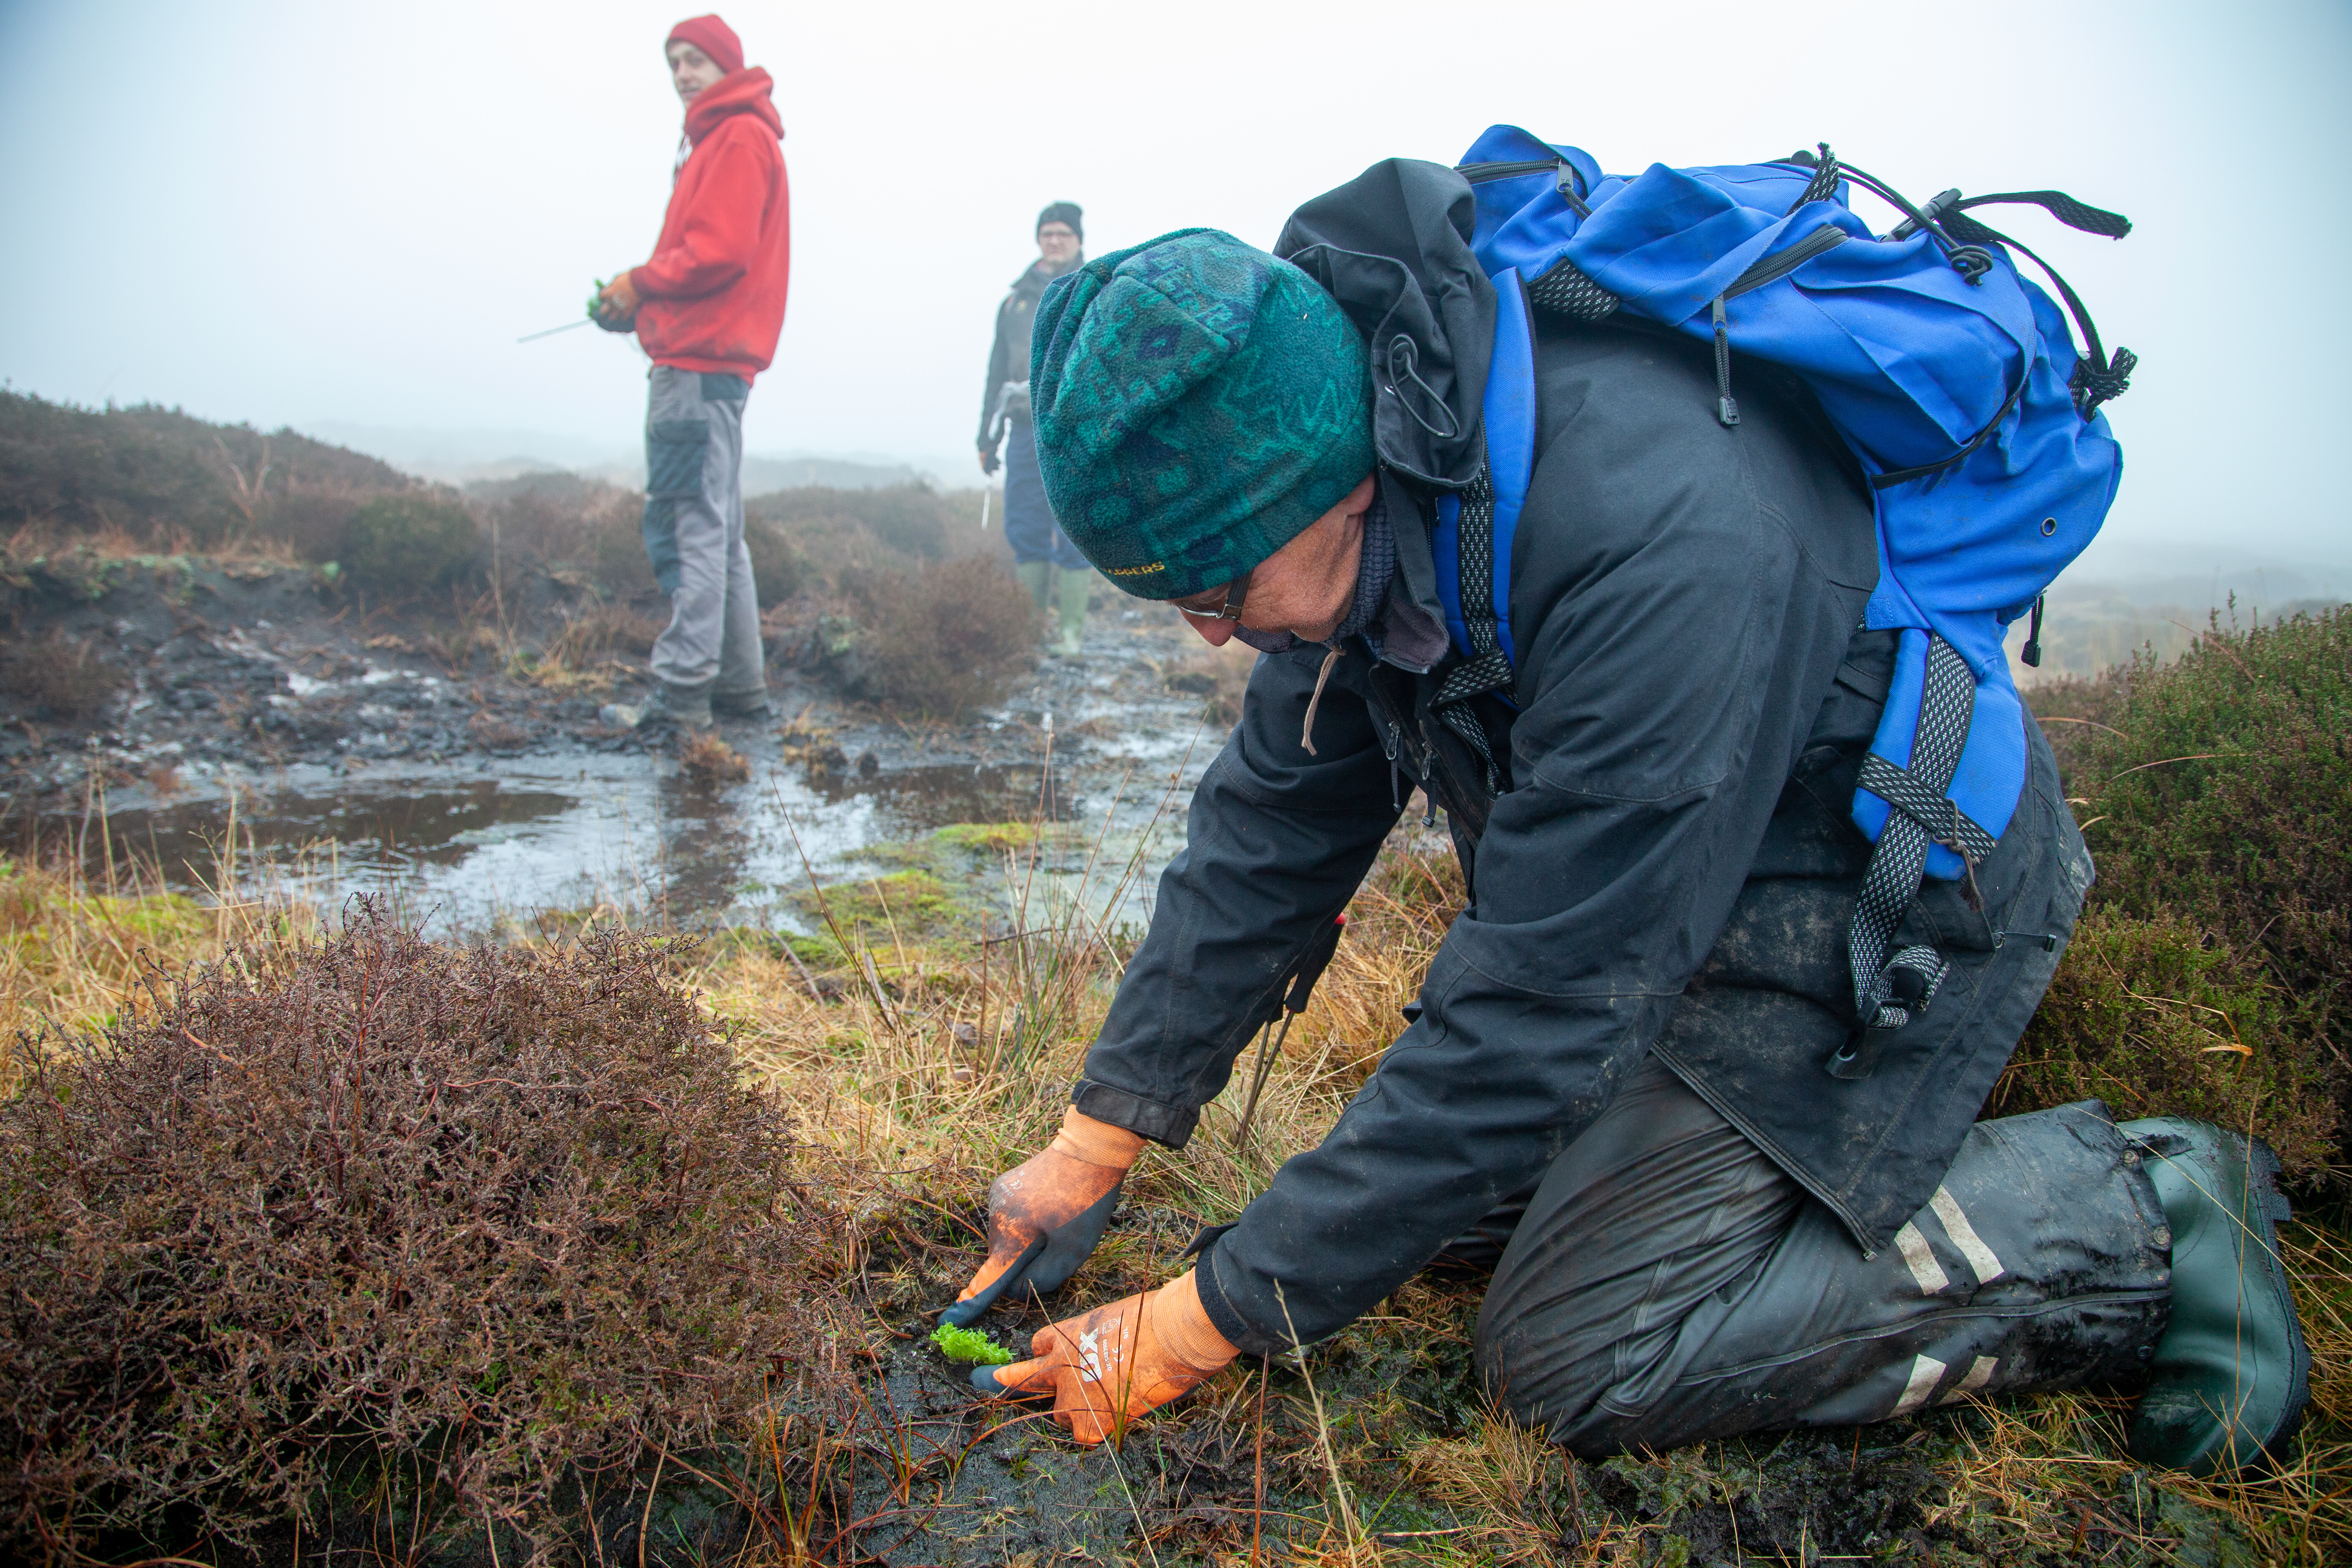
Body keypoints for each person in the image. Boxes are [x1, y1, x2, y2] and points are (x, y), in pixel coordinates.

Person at [951, 165, 2311, 1475]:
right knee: (1420, 1220)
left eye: (1212, 587)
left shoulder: (1656, 528)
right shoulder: (1367, 469)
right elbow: (1269, 834)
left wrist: (1198, 1325)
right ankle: (1722, 1178)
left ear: (1325, 486)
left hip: (1863, 896)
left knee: (1572, 1347)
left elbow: (1538, 1010)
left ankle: (2143, 1212)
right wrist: (1096, 1137)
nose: (1206, 634)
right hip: (1664, 888)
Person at [590, 14, 788, 732]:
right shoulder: (735, 135)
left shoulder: (734, 135)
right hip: (718, 369)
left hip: (696, 366)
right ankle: (739, 692)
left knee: (689, 528)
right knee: (719, 529)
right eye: (673, 62)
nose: (682, 73)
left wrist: (638, 284)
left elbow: (718, 250)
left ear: (725, 65)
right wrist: (638, 303)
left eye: (695, 60)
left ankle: (679, 698)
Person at [979, 203, 1092, 657]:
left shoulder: (1096, 288)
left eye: (1064, 233)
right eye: (1048, 232)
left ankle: (1070, 639)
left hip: (1075, 430)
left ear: (1079, 239)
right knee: (1024, 525)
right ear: (1038, 238)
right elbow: (994, 373)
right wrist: (986, 437)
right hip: (1024, 427)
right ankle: (1028, 635)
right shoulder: (1015, 300)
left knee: (1073, 528)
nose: (1055, 239)